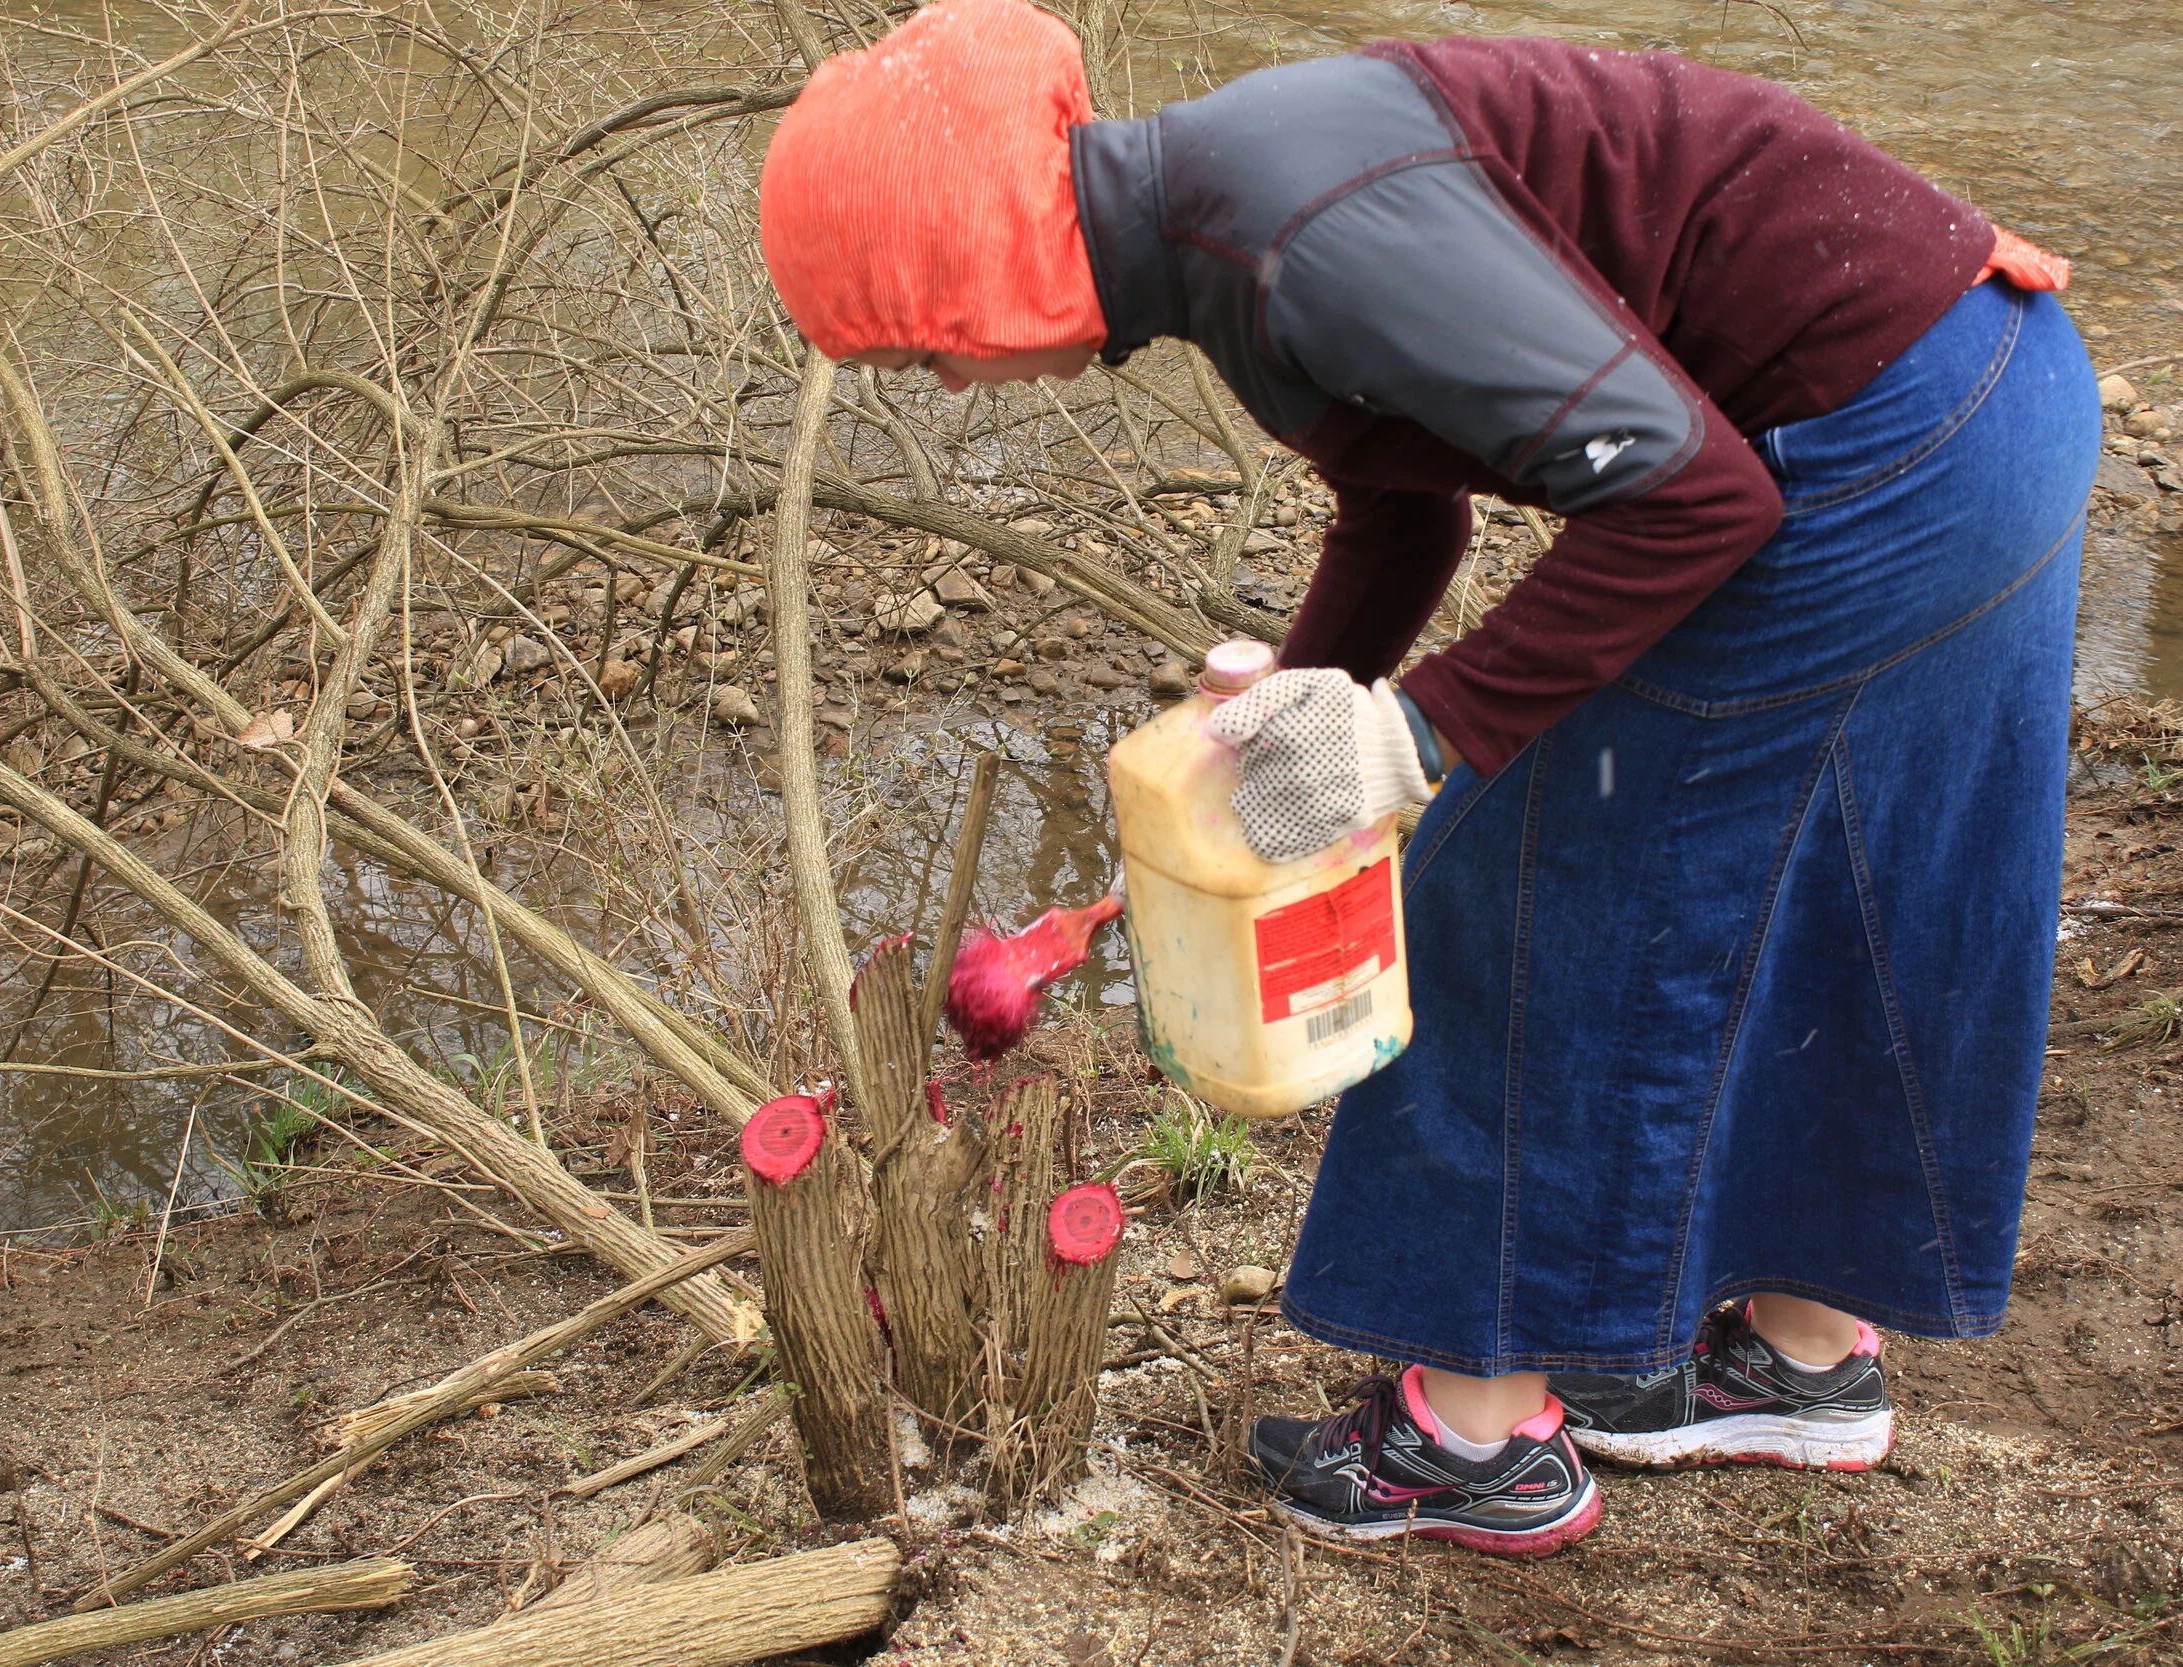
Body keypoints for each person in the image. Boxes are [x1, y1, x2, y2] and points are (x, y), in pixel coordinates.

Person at [758, 0, 2097, 1557]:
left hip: (1893, 439)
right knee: (1822, 875)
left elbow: (1683, 492)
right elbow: (1411, 519)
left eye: (921, 340)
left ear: (977, 274)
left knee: (1514, 890)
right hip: (1976, 391)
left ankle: (1473, 1441)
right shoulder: (1220, 212)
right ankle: (1793, 1360)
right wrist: (1271, 733)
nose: (941, 384)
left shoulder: (1291, 242)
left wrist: (1413, 737)